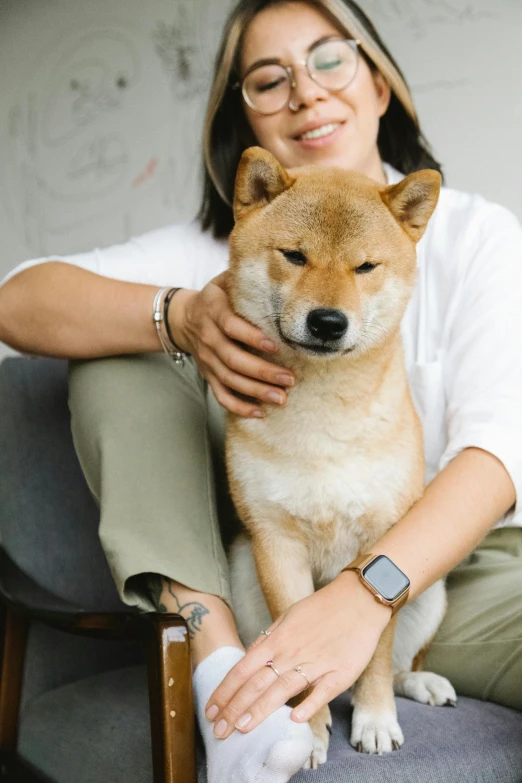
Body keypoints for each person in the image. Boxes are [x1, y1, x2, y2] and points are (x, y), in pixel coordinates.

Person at [1, 0, 521, 779]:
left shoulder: (478, 236)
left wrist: (364, 596)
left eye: (330, 59)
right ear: (239, 123)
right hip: (277, 556)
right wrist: (177, 315)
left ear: (382, 84)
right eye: (268, 80)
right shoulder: (235, 242)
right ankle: (217, 674)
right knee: (119, 346)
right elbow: (16, 297)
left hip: (463, 563)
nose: (305, 92)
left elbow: (497, 451)